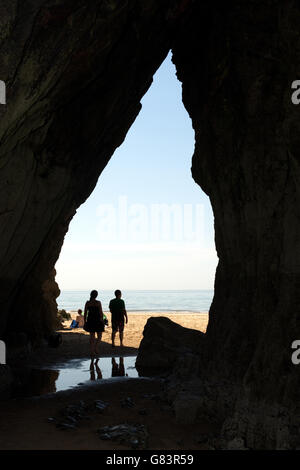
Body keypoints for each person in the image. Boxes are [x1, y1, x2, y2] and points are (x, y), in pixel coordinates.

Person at [84, 290, 104, 356]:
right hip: (98, 320)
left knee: (92, 337)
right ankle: (96, 347)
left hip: (90, 320)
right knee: (99, 336)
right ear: (96, 295)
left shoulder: (88, 303)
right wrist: (103, 320)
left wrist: (85, 321)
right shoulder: (98, 303)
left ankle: (92, 351)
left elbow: (85, 313)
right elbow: (101, 312)